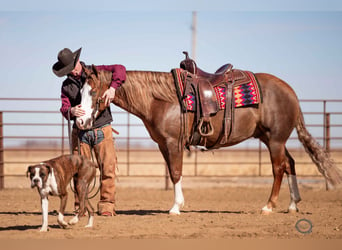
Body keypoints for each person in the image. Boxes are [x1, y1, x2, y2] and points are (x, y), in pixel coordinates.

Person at [52, 47, 126, 216]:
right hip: (80, 132)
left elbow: (120, 69)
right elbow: (64, 107)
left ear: (78, 60)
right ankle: (81, 206)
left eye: (74, 66)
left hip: (102, 127)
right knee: (79, 170)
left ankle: (107, 205)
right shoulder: (66, 86)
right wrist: (70, 111)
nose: (73, 71)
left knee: (108, 168)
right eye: (69, 69)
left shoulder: (97, 72)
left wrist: (113, 88)